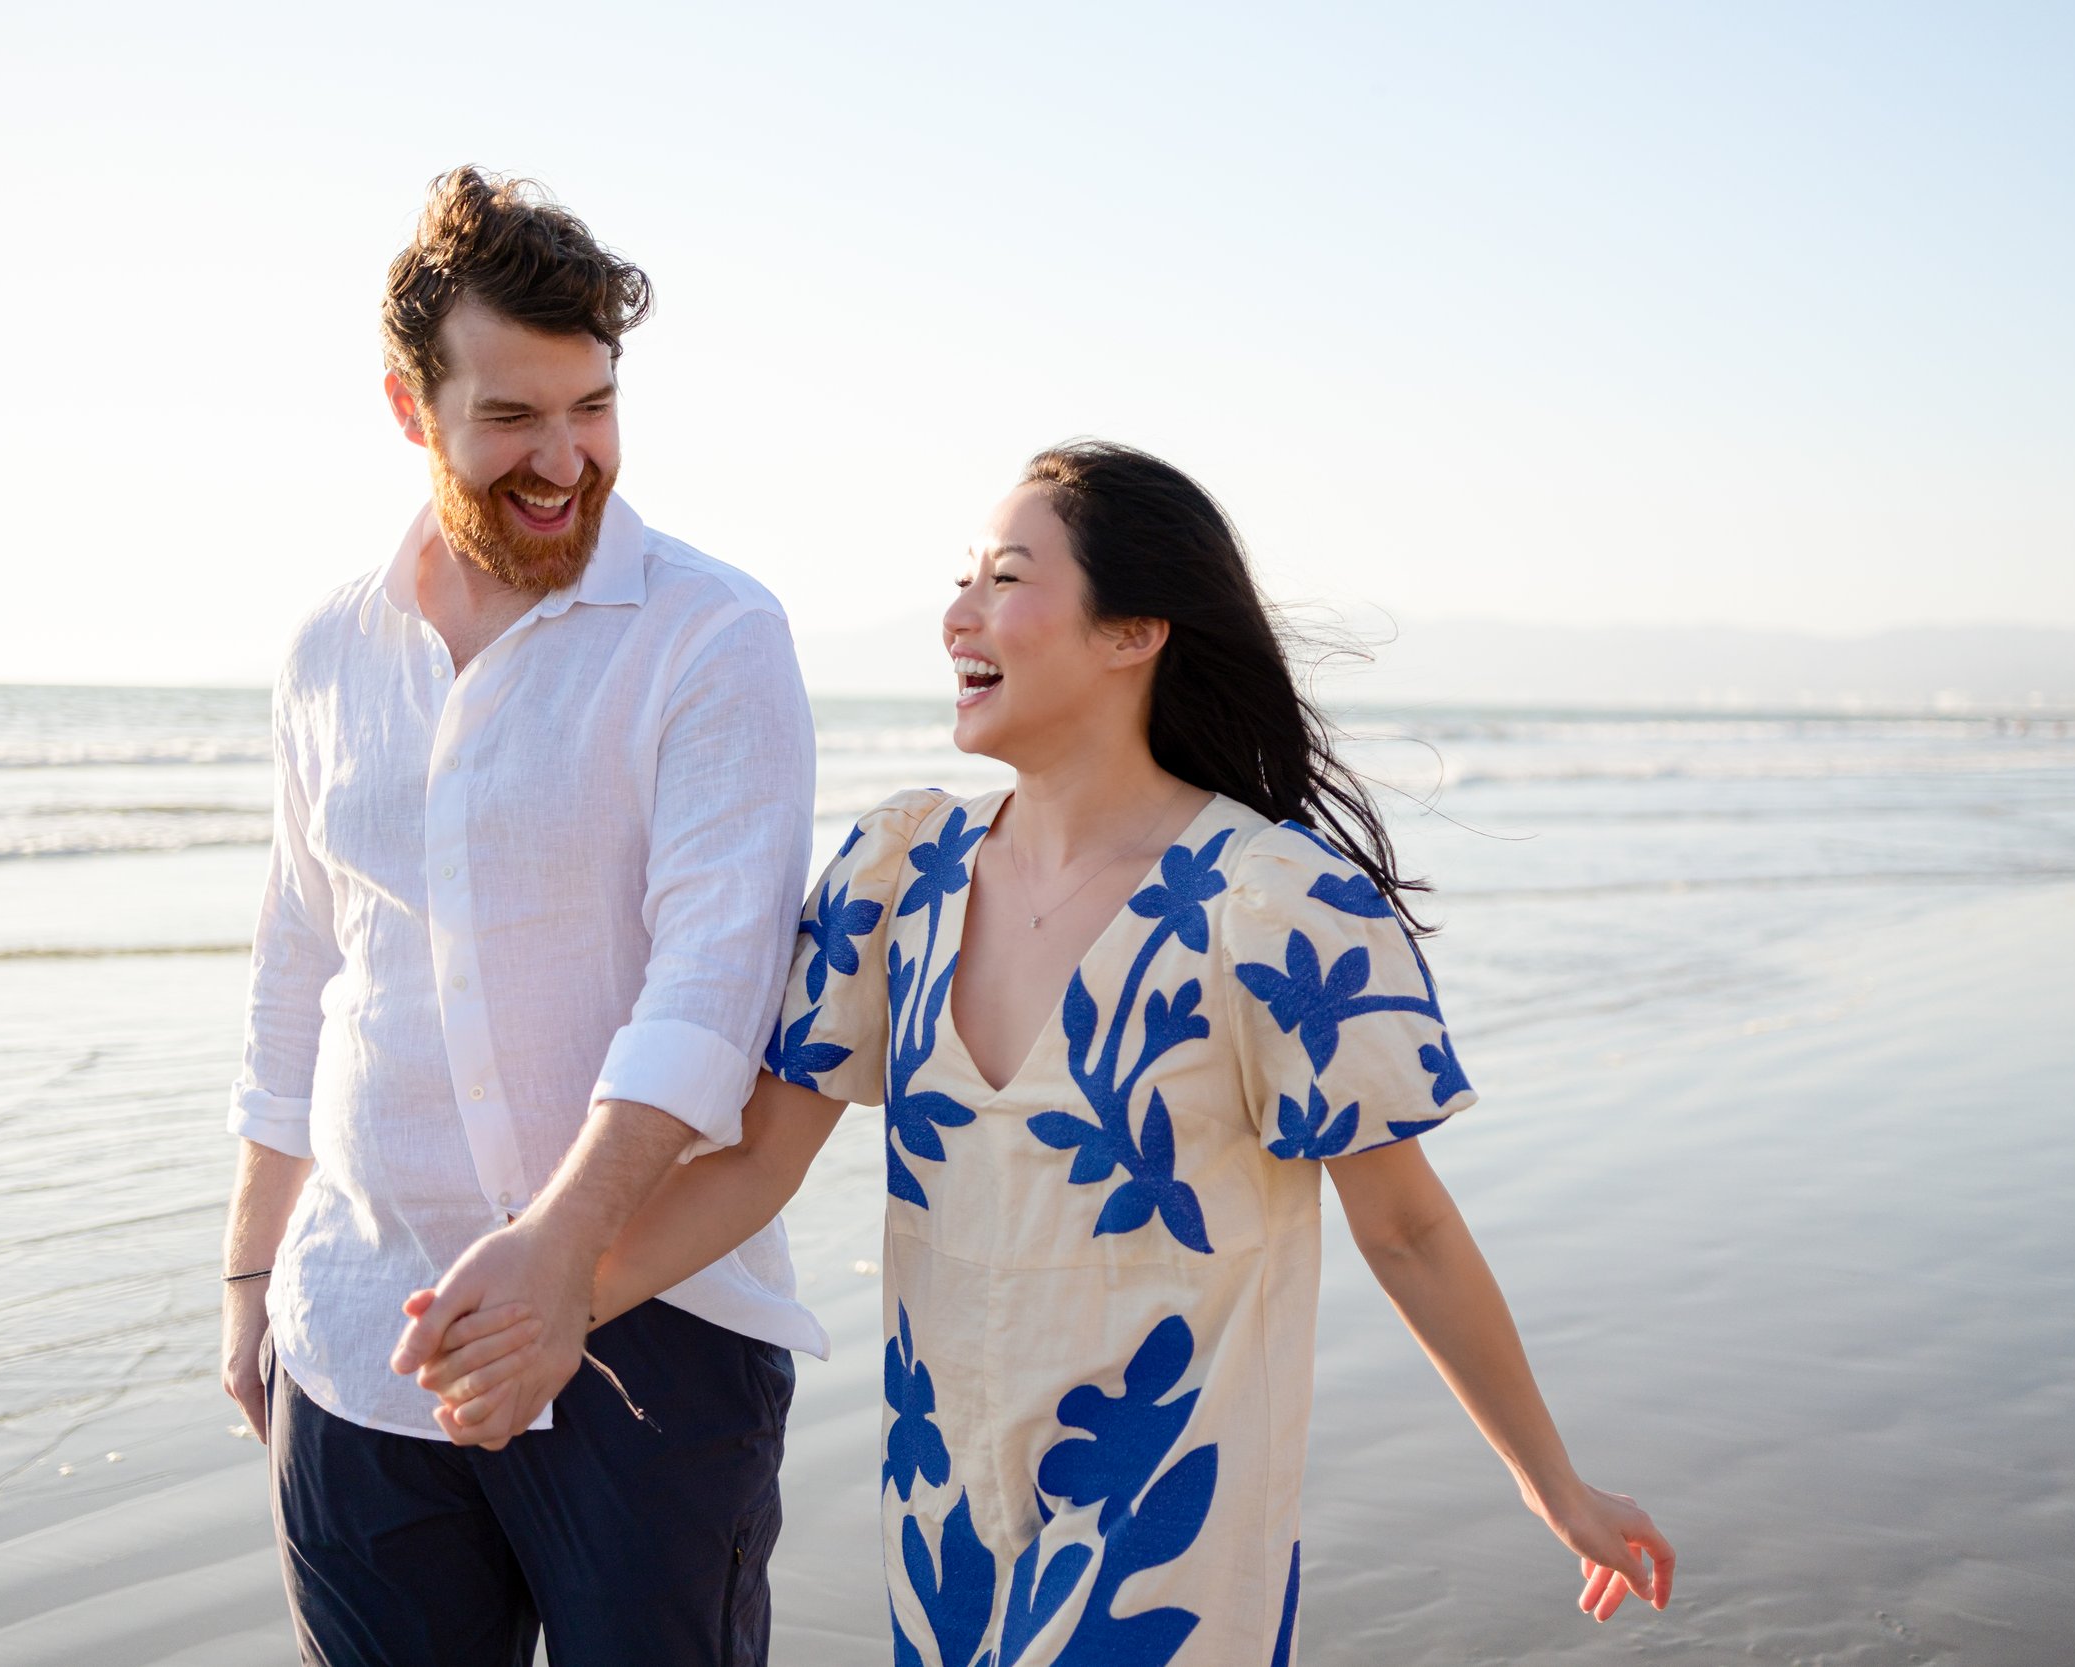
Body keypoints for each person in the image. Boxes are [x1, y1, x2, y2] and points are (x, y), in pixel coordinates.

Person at [400, 442, 1675, 1664]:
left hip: (1168, 1539)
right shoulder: (896, 873)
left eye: (1005, 578)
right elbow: (756, 1165)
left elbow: (1408, 1231)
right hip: (946, 1518)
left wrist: (1550, 1481)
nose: (958, 611)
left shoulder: (1275, 910)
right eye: (963, 574)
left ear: (1133, 632)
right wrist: (548, 1302)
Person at [219, 166, 818, 1666]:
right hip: (359, 1343)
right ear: (409, 410)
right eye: (512, 418)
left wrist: (561, 1255)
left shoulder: (712, 633)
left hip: (652, 1339)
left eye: (593, 407)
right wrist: (250, 1277)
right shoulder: (325, 650)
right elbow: (301, 965)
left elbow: (714, 979)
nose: (564, 461)